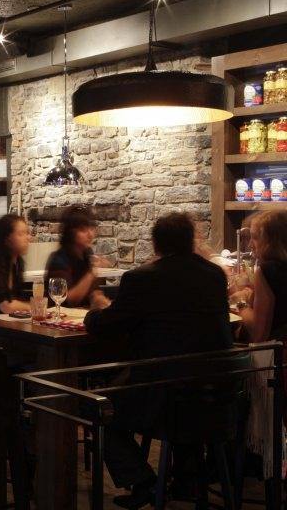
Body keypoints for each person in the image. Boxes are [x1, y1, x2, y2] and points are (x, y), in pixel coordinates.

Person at [83, 213, 233, 509]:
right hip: (217, 394)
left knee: (95, 405)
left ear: (155, 243)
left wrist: (93, 313)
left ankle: (144, 482)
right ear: (191, 241)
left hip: (165, 396)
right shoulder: (214, 275)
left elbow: (108, 326)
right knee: (181, 379)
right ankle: (186, 480)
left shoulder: (143, 278)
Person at [44, 205, 110, 310]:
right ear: (70, 233)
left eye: (91, 228)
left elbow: (91, 291)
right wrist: (91, 274)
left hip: (81, 315)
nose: (90, 234)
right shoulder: (59, 259)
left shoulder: (86, 254)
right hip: (59, 316)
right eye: (83, 230)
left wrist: (98, 297)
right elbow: (66, 300)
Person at [237, 211, 287, 341]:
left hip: (274, 350)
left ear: (271, 240)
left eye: (255, 237)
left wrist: (241, 304)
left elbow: (259, 334)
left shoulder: (268, 271)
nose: (250, 245)